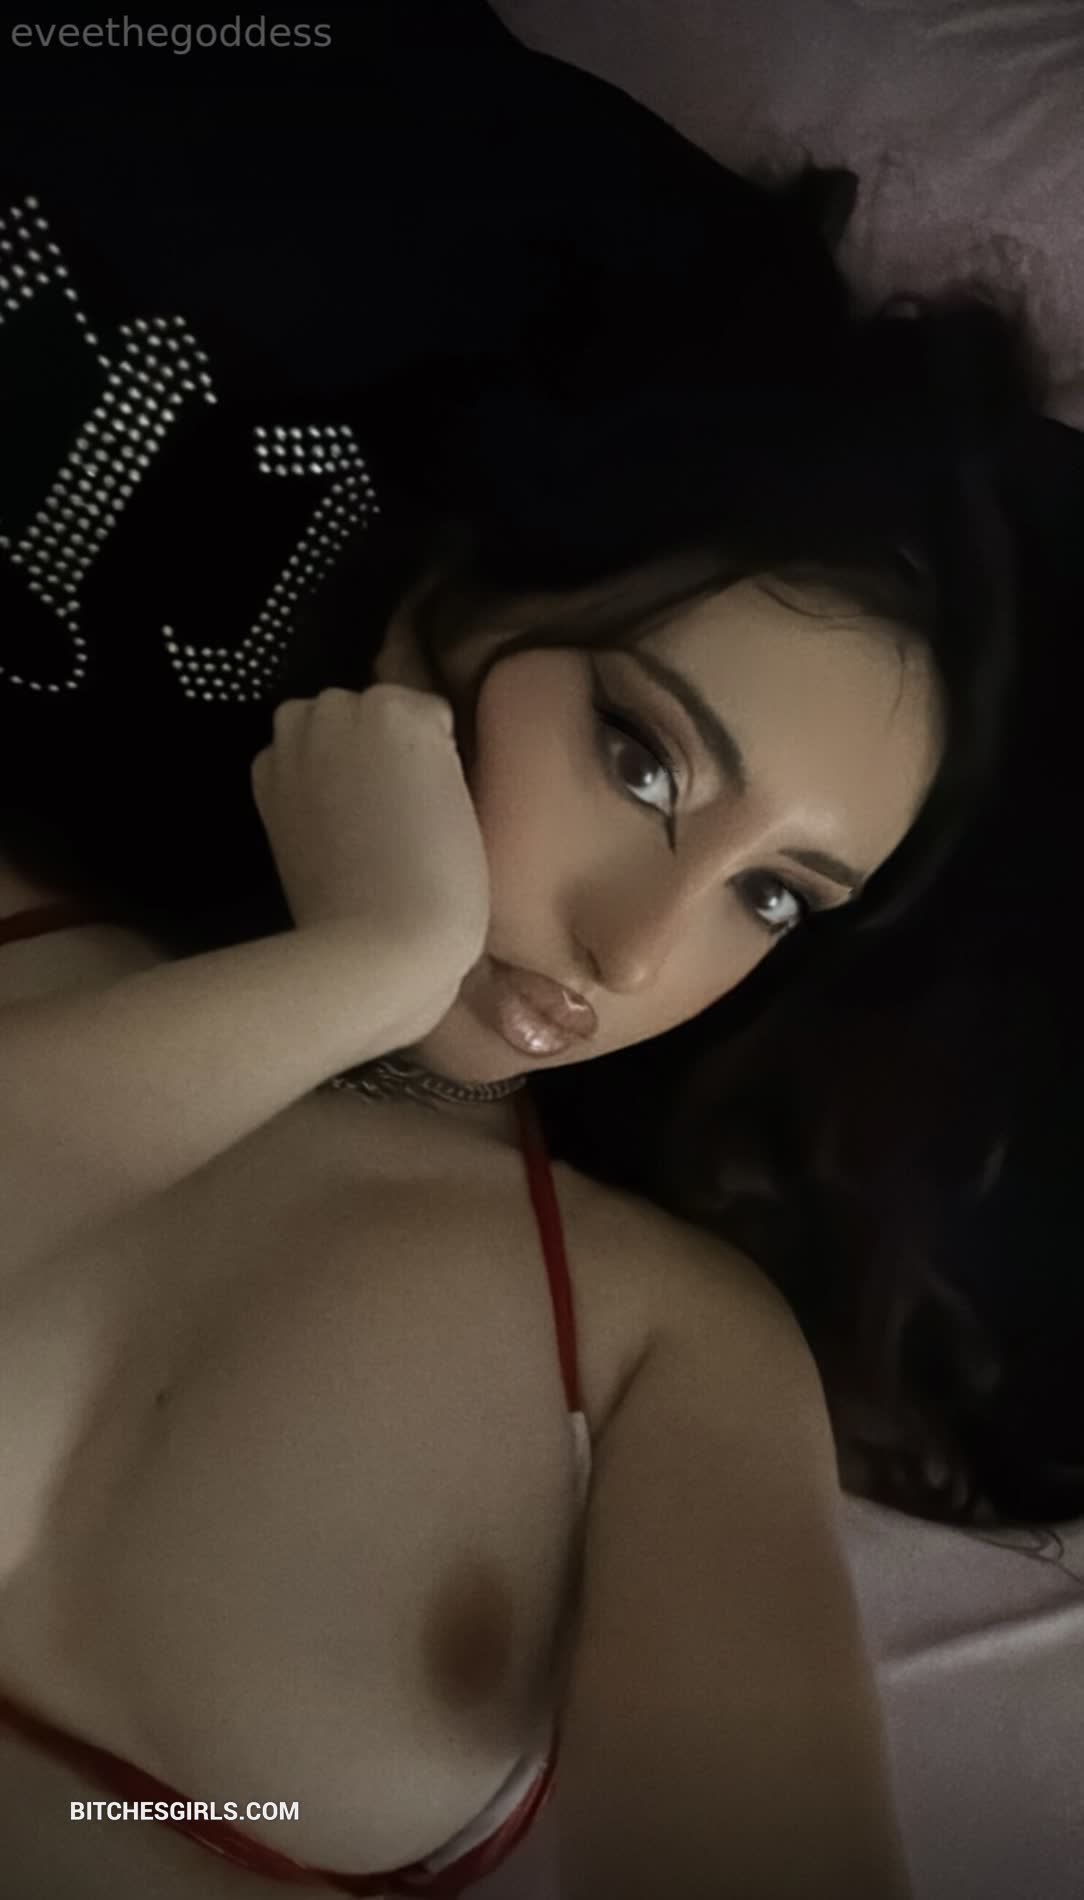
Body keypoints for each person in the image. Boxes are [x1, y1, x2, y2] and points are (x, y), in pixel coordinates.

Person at [0, 234, 1046, 1895]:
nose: (637, 952)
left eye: (773, 896)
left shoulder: (664, 1349)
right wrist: (361, 967)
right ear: (442, 610)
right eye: (643, 761)